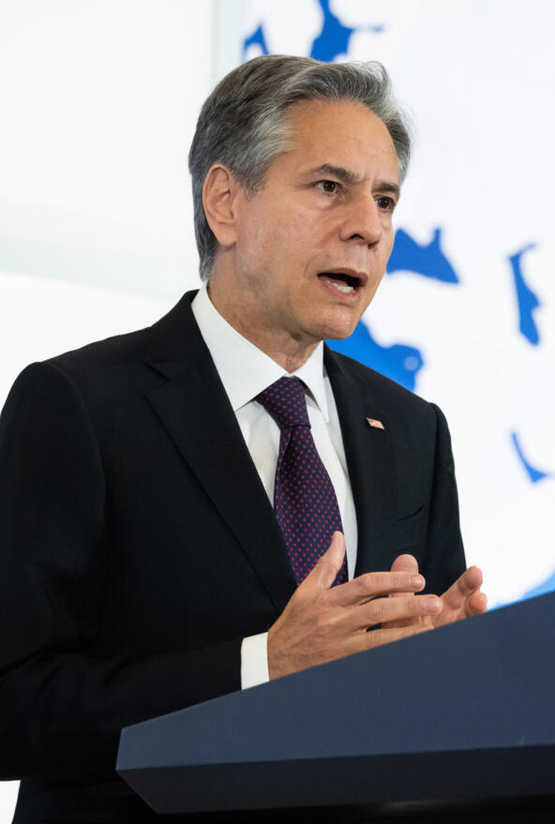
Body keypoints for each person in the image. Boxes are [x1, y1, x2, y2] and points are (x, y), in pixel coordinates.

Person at [0, 55, 486, 820]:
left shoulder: (411, 431)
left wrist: (449, 667)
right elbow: (13, 705)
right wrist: (262, 666)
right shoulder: (80, 406)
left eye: (385, 199)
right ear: (225, 203)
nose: (368, 226)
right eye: (329, 187)